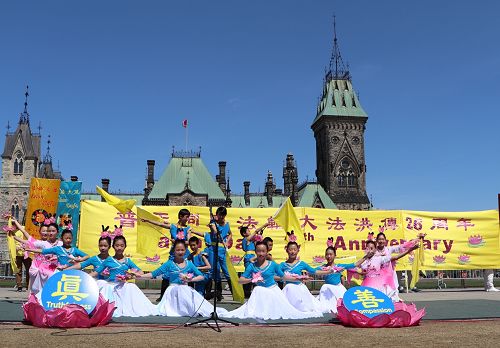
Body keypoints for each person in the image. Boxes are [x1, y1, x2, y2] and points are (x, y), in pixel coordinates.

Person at [220, 241, 323, 320]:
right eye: (259, 251)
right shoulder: (252, 266)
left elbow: (283, 277)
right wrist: (253, 279)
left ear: (267, 252)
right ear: (255, 252)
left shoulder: (272, 264)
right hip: (260, 292)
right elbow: (240, 280)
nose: (261, 253)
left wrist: (300, 278)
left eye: (263, 251)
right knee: (257, 290)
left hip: (273, 291)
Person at [139, 239, 225, 317]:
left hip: (185, 290)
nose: (180, 252)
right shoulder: (169, 264)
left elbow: (201, 276)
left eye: (182, 250)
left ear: (186, 250)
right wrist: (139, 276)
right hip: (172, 291)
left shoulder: (189, 264)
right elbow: (153, 274)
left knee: (199, 308)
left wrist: (191, 279)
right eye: (178, 250)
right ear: (174, 251)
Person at [91, 235, 158, 317]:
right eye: (117, 245)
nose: (119, 248)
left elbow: (140, 272)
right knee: (101, 284)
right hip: (111, 286)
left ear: (125, 247)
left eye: (122, 246)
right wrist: (82, 276)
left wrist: (133, 274)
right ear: (113, 247)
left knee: (132, 287)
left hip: (123, 286)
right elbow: (96, 272)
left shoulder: (128, 261)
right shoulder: (109, 260)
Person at [141, 208, 192, 301]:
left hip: (184, 255)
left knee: (187, 274)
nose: (188, 219)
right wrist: (148, 220)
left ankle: (188, 296)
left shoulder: (188, 229)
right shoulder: (172, 226)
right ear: (181, 217)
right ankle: (162, 296)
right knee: (166, 275)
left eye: (188, 217)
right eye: (186, 217)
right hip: (173, 254)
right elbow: (160, 224)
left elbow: (189, 241)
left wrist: (178, 241)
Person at [9, 219, 61, 295]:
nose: (49, 233)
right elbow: (25, 234)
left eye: (52, 231)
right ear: (39, 232)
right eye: (48, 231)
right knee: (38, 290)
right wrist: (15, 226)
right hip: (40, 270)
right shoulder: (42, 243)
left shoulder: (61, 244)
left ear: (57, 232)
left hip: (55, 271)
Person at [280, 241, 331, 313]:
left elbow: (314, 271)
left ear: (298, 250)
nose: (292, 252)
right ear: (287, 250)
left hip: (299, 288)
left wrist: (328, 272)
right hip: (289, 289)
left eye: (294, 249)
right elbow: (275, 275)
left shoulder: (301, 263)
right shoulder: (283, 265)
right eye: (290, 249)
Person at [316, 246, 359, 313]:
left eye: (331, 254)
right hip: (328, 290)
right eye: (327, 254)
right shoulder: (323, 267)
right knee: (324, 288)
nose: (329, 256)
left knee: (346, 306)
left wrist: (366, 257)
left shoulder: (339, 266)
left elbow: (354, 264)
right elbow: (312, 270)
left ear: (335, 255)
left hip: (338, 289)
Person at [240, 222, 268, 297]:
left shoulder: (249, 240)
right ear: (244, 233)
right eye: (248, 231)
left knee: (254, 273)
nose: (250, 232)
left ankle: (250, 291)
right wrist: (264, 225)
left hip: (252, 256)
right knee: (249, 274)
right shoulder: (246, 239)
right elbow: (255, 232)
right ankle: (246, 292)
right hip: (249, 256)